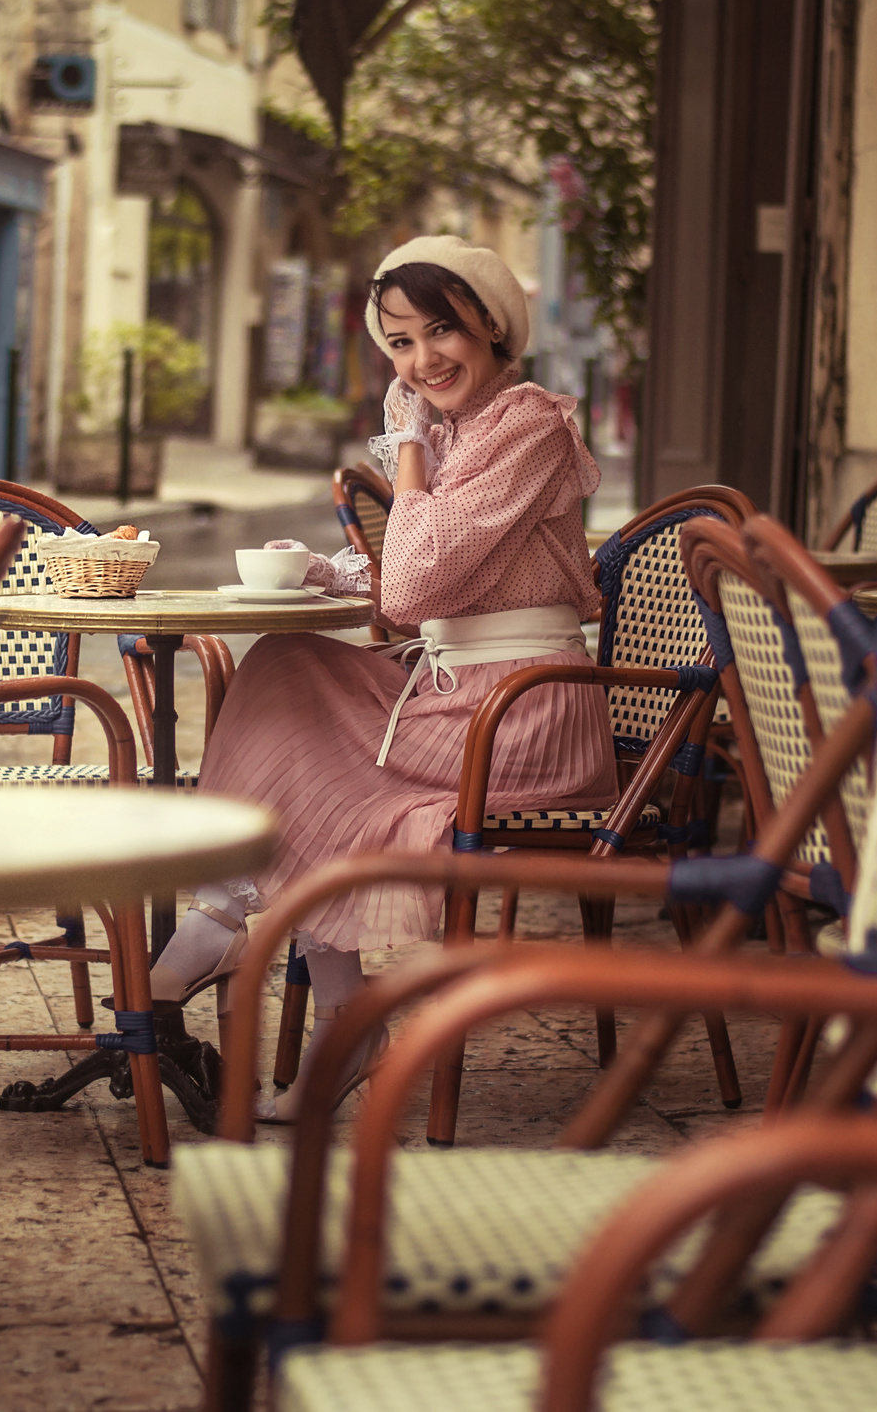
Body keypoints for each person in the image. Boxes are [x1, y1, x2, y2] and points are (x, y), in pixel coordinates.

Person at [144, 235, 615, 1120]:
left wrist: (405, 449)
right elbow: (430, 580)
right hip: (457, 690)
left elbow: (417, 583)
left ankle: (223, 923)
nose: (424, 359)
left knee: (325, 772)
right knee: (285, 670)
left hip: (520, 712)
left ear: (492, 327)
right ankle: (330, 1006)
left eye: (443, 331)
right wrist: (324, 573)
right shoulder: (459, 428)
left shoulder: (528, 423)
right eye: (400, 343)